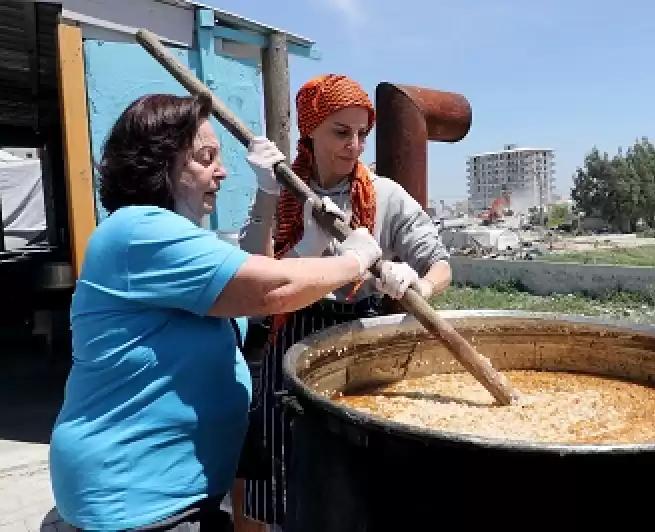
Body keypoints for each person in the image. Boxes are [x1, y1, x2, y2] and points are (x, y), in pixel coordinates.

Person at [48, 93, 385, 532]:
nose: (222, 172)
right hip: (137, 499)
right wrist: (356, 260)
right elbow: (273, 290)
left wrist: (302, 235)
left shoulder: (180, 238)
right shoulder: (139, 232)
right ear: (159, 163)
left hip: (178, 492)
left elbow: (257, 286)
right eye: (206, 158)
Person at [234, 74, 452, 531]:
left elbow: (440, 263)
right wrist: (267, 195)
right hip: (288, 337)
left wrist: (418, 285)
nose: (354, 146)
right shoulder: (283, 191)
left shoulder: (385, 196)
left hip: (360, 345)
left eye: (361, 134)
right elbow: (256, 275)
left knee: (352, 477)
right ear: (309, 130)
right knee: (285, 475)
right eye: (340, 131)